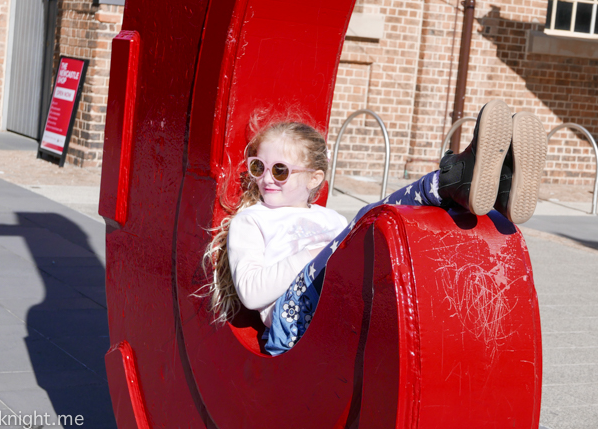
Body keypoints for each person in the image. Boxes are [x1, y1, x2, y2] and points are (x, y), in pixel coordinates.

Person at [202, 99, 547, 355]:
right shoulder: (252, 219)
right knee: (369, 218)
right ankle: (453, 179)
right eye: (259, 167)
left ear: (314, 179)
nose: (267, 179)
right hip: (290, 322)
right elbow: (250, 291)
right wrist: (312, 255)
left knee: (382, 223)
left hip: (341, 305)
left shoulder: (328, 218)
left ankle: (487, 187)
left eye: (280, 170)